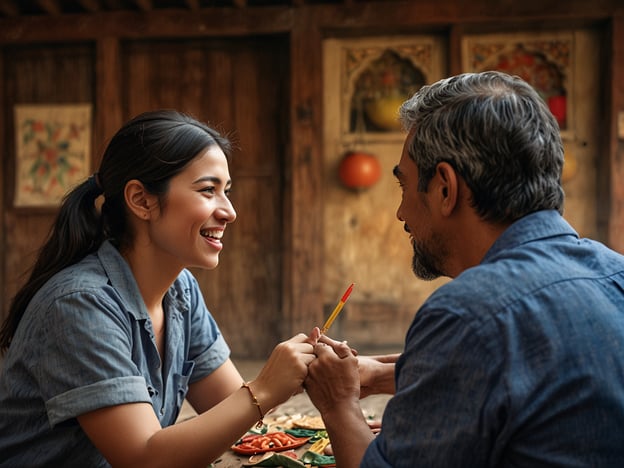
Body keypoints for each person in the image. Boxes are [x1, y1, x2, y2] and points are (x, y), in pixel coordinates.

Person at [304, 71, 624, 467]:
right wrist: (381, 372)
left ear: (444, 188)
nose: (401, 213)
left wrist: (337, 403)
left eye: (404, 187)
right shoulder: (616, 274)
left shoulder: (467, 312)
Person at [0, 110, 321, 467]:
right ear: (141, 200)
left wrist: (317, 372)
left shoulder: (180, 291)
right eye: (208, 191)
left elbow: (229, 405)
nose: (229, 211)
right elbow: (144, 459)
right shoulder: (80, 304)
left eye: (226, 192)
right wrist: (264, 387)